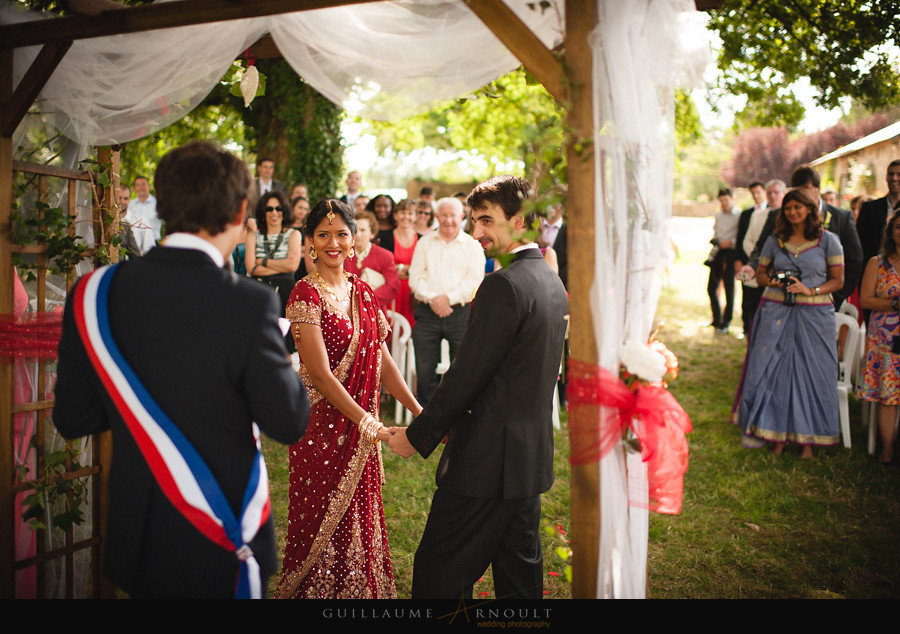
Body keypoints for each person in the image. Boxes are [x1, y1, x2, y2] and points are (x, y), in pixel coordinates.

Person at [52, 141, 310, 598]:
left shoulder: (94, 293)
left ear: (163, 206)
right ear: (240, 211)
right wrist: (287, 362)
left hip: (141, 532)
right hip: (227, 528)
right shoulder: (251, 304)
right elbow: (288, 423)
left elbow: (74, 418)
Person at [389, 175, 569, 600]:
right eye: (473, 221)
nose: (477, 232)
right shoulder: (550, 281)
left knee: (439, 573)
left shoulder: (502, 285)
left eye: (486, 220)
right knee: (519, 579)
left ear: (520, 220)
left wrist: (416, 437)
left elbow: (466, 376)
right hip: (526, 458)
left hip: (486, 463)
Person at [274, 200, 421, 599]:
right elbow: (319, 374)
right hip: (321, 428)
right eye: (323, 234)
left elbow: (383, 361)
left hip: (359, 427)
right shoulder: (304, 295)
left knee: (360, 512)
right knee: (318, 518)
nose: (333, 242)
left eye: (341, 233)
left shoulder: (363, 293)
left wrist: (420, 412)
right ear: (310, 242)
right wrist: (371, 424)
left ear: (353, 239)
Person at [735, 189, 844, 458]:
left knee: (811, 372)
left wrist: (810, 290)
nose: (792, 212)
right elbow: (761, 275)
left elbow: (838, 281)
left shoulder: (828, 241)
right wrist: (773, 281)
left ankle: (808, 440)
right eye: (788, 208)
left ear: (810, 208)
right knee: (774, 370)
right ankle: (776, 434)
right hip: (776, 312)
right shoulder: (776, 240)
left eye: (798, 207)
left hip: (814, 316)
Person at [408, 197, 485, 406]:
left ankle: (455, 417)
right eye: (444, 215)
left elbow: (474, 281)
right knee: (425, 373)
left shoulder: (472, 245)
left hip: (460, 315)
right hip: (427, 313)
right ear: (436, 217)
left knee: (461, 371)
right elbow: (415, 278)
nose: (448, 220)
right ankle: (425, 417)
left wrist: (448, 299)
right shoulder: (424, 242)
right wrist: (434, 299)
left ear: (461, 217)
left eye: (453, 215)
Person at [857, 207, 900, 464]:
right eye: (898, 226)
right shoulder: (878, 263)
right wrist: (895, 304)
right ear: (891, 231)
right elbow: (866, 299)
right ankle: (887, 449)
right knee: (889, 396)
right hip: (885, 339)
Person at [245, 190, 302, 318]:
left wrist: (263, 262)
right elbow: (251, 268)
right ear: (263, 212)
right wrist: (282, 269)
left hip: (285, 293)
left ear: (284, 211)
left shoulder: (294, 234)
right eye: (269, 209)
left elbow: (293, 266)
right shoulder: (253, 235)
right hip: (258, 292)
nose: (274, 213)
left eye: (278, 208)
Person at [733, 180, 771, 338]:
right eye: (753, 193)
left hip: (766, 265)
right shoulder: (746, 213)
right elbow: (741, 238)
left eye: (758, 192)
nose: (756, 196)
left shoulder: (773, 213)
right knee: (746, 297)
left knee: (760, 298)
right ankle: (746, 328)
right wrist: (740, 260)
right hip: (748, 261)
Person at [344, 210, 400, 311]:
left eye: (363, 230)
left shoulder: (385, 256)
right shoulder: (343, 255)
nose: (358, 235)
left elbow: (392, 287)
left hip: (375, 312)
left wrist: (364, 299)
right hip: (347, 312)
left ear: (372, 233)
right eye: (355, 230)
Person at [856, 160, 900, 282]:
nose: (894, 178)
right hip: (872, 275)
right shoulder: (869, 208)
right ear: (886, 177)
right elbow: (859, 245)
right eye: (891, 174)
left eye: (899, 174)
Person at [378, 198, 419, 327]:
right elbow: (383, 266)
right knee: (391, 327)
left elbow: (423, 268)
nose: (406, 217)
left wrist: (401, 268)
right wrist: (409, 269)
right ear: (395, 215)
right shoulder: (385, 238)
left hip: (413, 293)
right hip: (392, 290)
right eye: (402, 213)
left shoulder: (422, 239)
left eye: (410, 213)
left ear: (415, 216)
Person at [707, 187, 740, 334]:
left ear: (732, 199)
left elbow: (742, 236)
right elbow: (716, 230)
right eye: (721, 201)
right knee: (711, 288)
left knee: (729, 289)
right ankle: (716, 319)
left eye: (726, 200)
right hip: (718, 252)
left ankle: (726, 322)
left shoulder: (739, 215)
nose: (724, 203)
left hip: (731, 253)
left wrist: (731, 242)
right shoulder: (718, 215)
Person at [124, 176, 160, 255]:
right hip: (134, 244)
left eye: (143, 184)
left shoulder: (158, 204)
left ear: (149, 187)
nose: (141, 187)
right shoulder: (129, 205)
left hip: (153, 245)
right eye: (138, 185)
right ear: (134, 188)